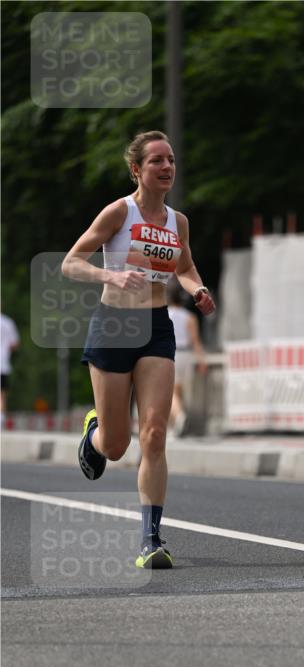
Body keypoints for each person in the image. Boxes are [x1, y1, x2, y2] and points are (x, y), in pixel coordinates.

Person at [62, 130, 215, 569]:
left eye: (171, 160)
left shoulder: (177, 222)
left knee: (155, 433)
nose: (167, 167)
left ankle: (151, 539)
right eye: (156, 161)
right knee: (116, 445)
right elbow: (71, 263)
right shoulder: (119, 212)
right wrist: (110, 275)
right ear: (137, 169)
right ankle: (96, 434)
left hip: (155, 327)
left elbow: (185, 266)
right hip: (113, 325)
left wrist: (197, 288)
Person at [167, 283, 207, 437]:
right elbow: (196, 341)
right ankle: (175, 428)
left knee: (169, 392)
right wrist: (201, 360)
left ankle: (179, 417)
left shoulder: (165, 314)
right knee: (178, 391)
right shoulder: (190, 316)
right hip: (187, 355)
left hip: (171, 354)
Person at [0, 310, 20, 429]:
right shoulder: (8, 322)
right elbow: (14, 344)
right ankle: (1, 418)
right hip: (2, 362)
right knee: (1, 393)